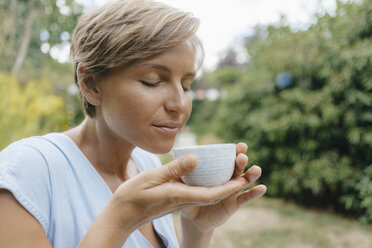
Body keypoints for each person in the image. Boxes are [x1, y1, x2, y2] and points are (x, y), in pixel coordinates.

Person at [0, 0, 267, 247]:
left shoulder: (146, 165)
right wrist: (120, 220)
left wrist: (197, 228)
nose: (180, 103)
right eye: (152, 80)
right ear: (91, 84)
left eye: (186, 85)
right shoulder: (27, 171)